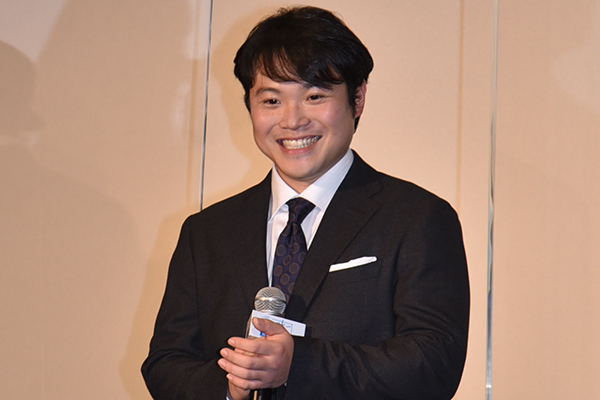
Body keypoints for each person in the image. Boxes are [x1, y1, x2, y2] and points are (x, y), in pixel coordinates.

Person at [142, 6, 470, 400]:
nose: (292, 120)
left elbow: (434, 362)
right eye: (271, 100)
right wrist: (230, 385)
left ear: (358, 98)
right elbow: (166, 363)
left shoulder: (416, 217)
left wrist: (298, 364)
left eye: (314, 96)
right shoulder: (207, 231)